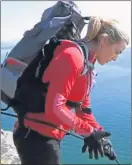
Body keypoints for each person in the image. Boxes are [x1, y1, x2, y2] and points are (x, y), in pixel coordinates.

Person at [12, 16, 129, 165]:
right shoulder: (72, 57)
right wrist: (87, 132)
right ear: (104, 40)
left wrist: (99, 135)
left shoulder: (88, 63)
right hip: (34, 136)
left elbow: (83, 108)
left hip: (48, 135)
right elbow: (55, 107)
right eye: (117, 51)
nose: (115, 58)